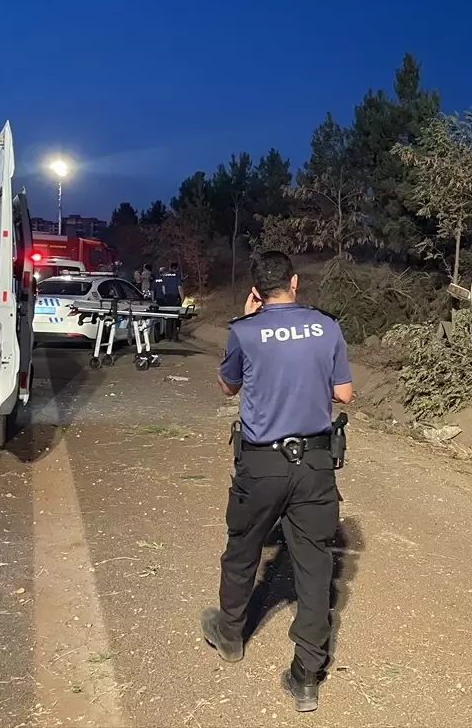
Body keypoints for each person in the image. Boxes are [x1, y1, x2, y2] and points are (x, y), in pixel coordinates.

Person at [200, 251, 354, 713]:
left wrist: (250, 324)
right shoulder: (326, 327)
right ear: (293, 282)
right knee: (314, 567)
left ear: (256, 292)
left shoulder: (243, 331)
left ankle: (230, 634)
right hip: (314, 466)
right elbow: (343, 393)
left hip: (261, 466)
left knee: (244, 548)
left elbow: (228, 387)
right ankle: (306, 676)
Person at [152, 264, 184, 340]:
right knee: (176, 317)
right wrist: (182, 298)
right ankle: (175, 336)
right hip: (175, 298)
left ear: (170, 268)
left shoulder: (165, 276)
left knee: (169, 317)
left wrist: (166, 296)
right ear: (176, 268)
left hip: (167, 298)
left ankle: (168, 336)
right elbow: (179, 288)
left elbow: (163, 288)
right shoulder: (177, 276)